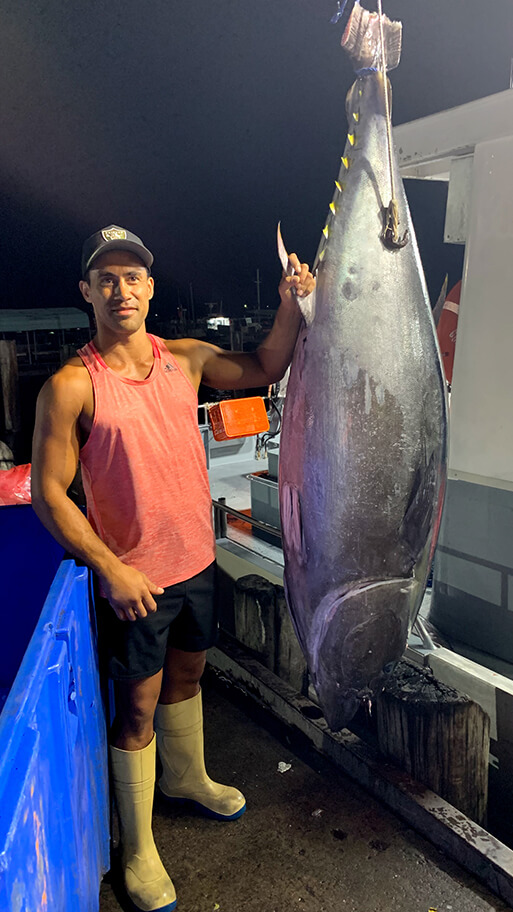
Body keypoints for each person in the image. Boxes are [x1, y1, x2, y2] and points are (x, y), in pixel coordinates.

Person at [31, 224, 315, 912]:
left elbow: (264, 367)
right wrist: (109, 569)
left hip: (195, 561)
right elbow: (48, 494)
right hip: (137, 579)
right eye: (106, 278)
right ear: (86, 292)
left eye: (133, 276)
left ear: (150, 288)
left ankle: (186, 779)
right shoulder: (71, 386)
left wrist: (288, 303)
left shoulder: (184, 358)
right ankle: (138, 847)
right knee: (134, 710)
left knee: (190, 675)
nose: (121, 288)